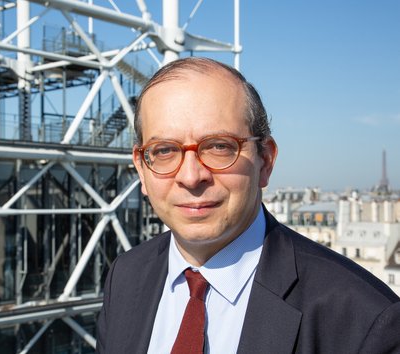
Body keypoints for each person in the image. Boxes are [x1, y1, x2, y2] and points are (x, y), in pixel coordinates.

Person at [95, 57, 400, 353]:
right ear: (142, 169)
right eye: (164, 151)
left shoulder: (363, 319)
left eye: (218, 146)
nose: (190, 176)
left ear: (265, 160)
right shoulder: (126, 275)